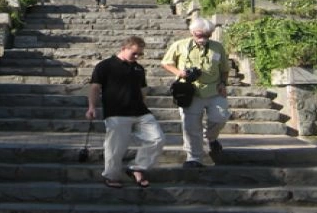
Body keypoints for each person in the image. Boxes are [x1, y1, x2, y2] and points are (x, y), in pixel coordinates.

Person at [86, 36, 165, 188]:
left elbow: (143, 90)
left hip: (141, 112)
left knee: (157, 139)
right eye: (134, 53)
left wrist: (144, 102)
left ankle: (136, 168)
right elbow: (95, 87)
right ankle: (111, 176)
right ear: (124, 48)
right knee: (115, 148)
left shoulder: (139, 68)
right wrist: (91, 107)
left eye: (140, 54)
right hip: (116, 113)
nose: (137, 57)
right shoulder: (105, 66)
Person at [160, 18, 231, 168]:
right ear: (192, 32)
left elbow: (224, 69)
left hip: (213, 89)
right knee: (191, 126)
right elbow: (166, 62)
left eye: (207, 35)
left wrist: (223, 83)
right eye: (200, 35)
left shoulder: (217, 47)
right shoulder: (179, 45)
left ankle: (211, 138)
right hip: (189, 91)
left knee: (220, 117)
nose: (203, 38)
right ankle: (194, 158)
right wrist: (180, 72)